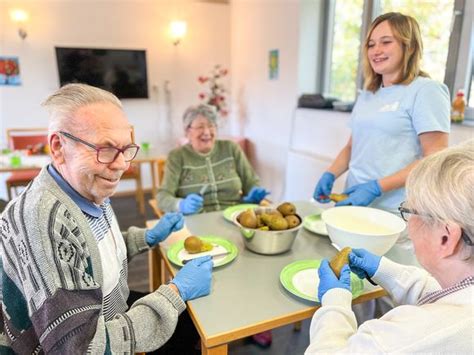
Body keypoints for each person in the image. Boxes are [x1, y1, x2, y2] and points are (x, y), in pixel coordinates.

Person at [0, 84, 213, 354]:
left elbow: (87, 254)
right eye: (106, 149)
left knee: (192, 324)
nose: (122, 164)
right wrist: (175, 293)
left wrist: (143, 238)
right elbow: (83, 347)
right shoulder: (48, 221)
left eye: (126, 149)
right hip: (89, 338)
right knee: (192, 327)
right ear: (58, 147)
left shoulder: (84, 188)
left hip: (108, 313)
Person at [306, 140, 474, 353]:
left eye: (410, 210)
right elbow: (448, 298)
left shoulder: (400, 338)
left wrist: (334, 300)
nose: (407, 221)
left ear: (446, 238)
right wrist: (385, 270)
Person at [313, 12, 450, 226]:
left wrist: (377, 187)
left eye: (386, 42)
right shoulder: (369, 93)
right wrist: (330, 174)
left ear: (409, 46)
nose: (376, 51)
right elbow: (352, 146)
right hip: (354, 204)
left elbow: (434, 157)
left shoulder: (425, 91)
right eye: (371, 44)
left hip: (395, 212)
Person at [157, 104, 269, 215]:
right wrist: (181, 205)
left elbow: (251, 182)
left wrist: (253, 193)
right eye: (200, 127)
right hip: (196, 221)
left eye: (211, 126)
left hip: (234, 217)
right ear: (188, 132)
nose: (207, 132)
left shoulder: (231, 148)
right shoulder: (177, 156)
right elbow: (162, 197)